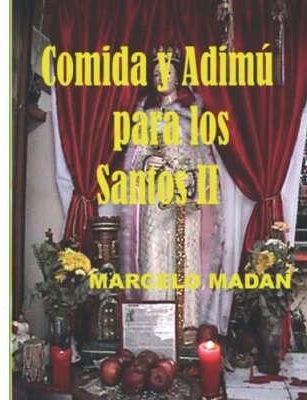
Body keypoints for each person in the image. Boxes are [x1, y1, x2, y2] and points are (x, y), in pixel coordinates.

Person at [119, 47, 224, 335]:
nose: (160, 78)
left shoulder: (192, 115)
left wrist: (191, 178)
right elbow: (135, 158)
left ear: (177, 77)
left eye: (166, 72)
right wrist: (146, 163)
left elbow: (204, 159)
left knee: (184, 257)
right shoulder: (145, 116)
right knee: (154, 254)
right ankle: (156, 325)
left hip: (185, 198)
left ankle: (186, 323)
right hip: (155, 198)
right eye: (155, 73)